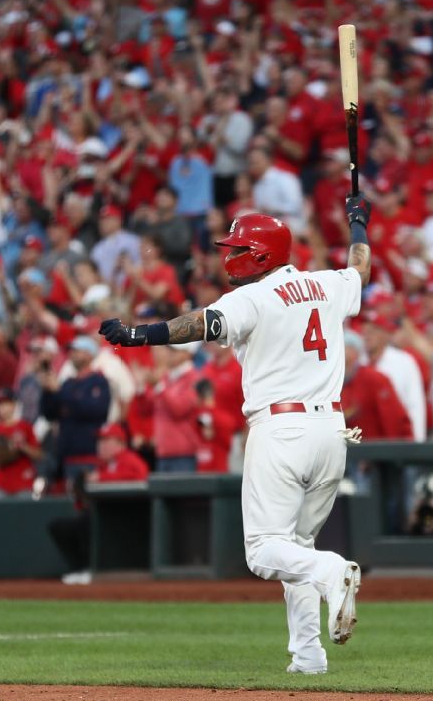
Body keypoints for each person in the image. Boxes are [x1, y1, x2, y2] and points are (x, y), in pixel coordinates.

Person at [99, 199, 372, 673]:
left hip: (281, 428)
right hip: (332, 431)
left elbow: (201, 324)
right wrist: (358, 222)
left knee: (266, 550)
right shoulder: (328, 283)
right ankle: (308, 655)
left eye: (238, 248)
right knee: (296, 550)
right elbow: (360, 265)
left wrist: (139, 335)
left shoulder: (253, 298)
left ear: (261, 256)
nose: (229, 256)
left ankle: (333, 573)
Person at [48, 423, 150, 586]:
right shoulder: (101, 466)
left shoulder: (131, 460)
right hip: (104, 515)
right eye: (99, 441)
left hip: (128, 518)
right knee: (59, 526)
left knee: (87, 523)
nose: (100, 445)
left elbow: (139, 478)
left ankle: (92, 569)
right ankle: (80, 569)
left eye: (105, 441)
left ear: (120, 443)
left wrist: (101, 479)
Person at [41, 336, 111, 487]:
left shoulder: (98, 381)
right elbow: (49, 414)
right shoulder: (67, 383)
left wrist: (59, 392)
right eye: (71, 351)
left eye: (77, 350)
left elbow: (93, 411)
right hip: (67, 456)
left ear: (90, 354)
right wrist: (47, 392)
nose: (72, 354)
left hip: (89, 454)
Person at [340, 331, 413, 440]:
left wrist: (394, 452)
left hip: (376, 450)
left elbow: (393, 419)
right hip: (347, 450)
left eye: (345, 349)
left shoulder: (374, 379)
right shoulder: (334, 381)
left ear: (355, 353)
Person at [150, 343, 203, 472]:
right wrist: (141, 389)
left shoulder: (195, 378)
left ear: (188, 354)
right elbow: (147, 408)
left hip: (183, 455)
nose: (170, 353)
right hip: (163, 452)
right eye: (169, 350)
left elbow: (179, 409)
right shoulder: (166, 377)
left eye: (175, 351)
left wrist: (159, 387)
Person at [0, 389, 40, 498]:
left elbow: (38, 455)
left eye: (5, 403)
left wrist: (22, 446)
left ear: (14, 405)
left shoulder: (24, 426)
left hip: (23, 481)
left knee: (25, 514)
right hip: (2, 483)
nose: (1, 408)